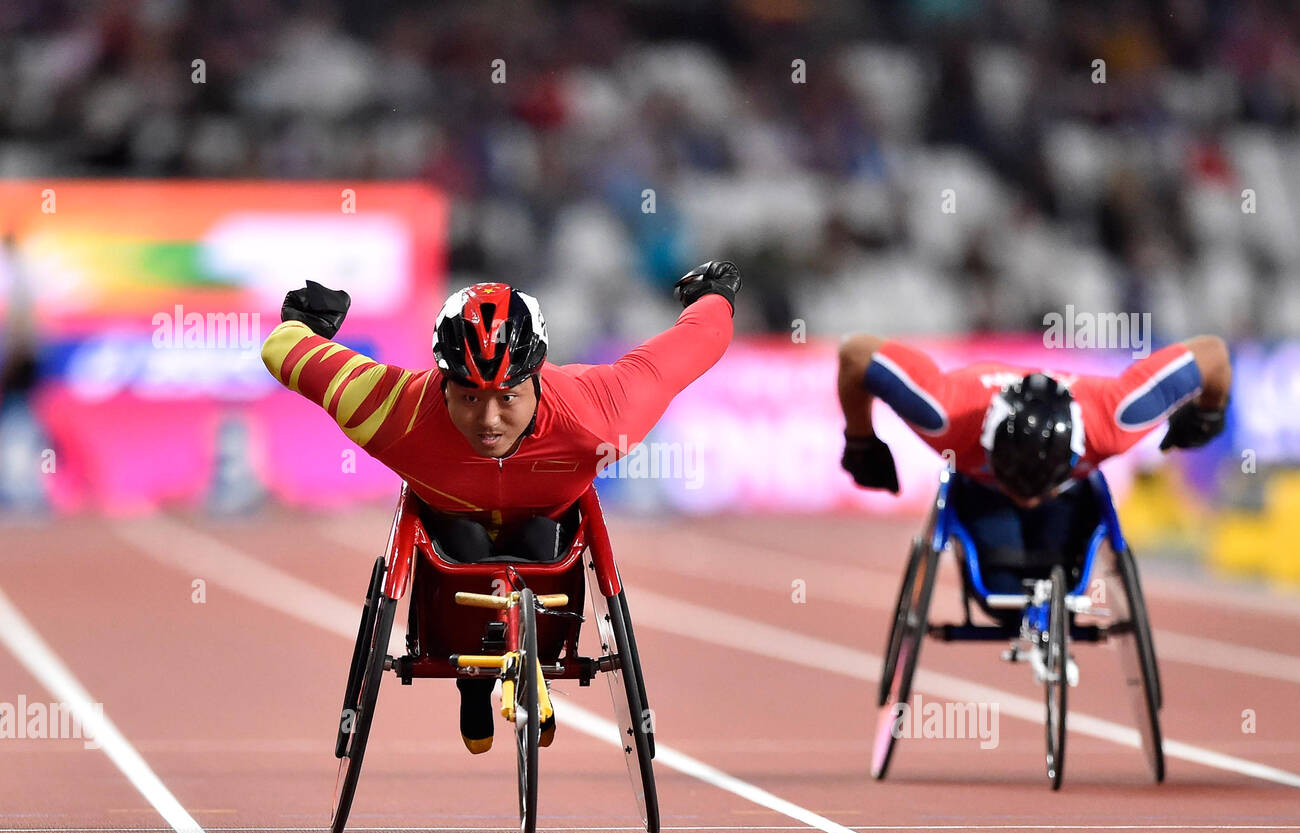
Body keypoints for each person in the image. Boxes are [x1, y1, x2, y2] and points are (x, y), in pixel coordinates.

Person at [262, 261, 741, 753]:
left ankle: (537, 659)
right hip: (450, 553)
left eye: (507, 397)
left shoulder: (598, 413)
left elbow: (692, 346)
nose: (488, 420)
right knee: (463, 539)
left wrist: (712, 295)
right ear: (442, 382)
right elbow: (286, 351)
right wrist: (307, 324)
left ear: (533, 380)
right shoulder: (396, 410)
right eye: (468, 397)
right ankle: (472, 684)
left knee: (538, 536)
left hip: (547, 545)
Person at [836, 332, 1231, 598]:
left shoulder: (1113, 419)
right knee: (1002, 588)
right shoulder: (947, 414)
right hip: (983, 491)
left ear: (1078, 449)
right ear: (985, 442)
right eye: (1017, 485)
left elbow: (1213, 352)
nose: (1027, 500)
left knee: (1060, 578)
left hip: (1065, 494)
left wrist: (1208, 413)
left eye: (1035, 488)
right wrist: (860, 439)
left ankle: (1042, 493)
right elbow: (854, 353)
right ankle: (1015, 495)